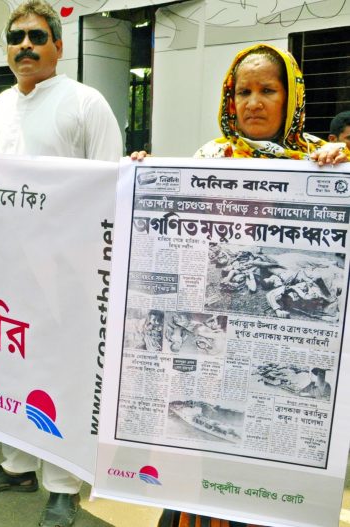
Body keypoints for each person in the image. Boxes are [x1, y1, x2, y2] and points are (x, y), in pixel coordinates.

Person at [134, 43, 348, 527]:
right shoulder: (211, 157)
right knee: (207, 465)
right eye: (243, 91)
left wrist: (345, 160)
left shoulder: (324, 160)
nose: (253, 102)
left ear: (291, 96)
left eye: (268, 90)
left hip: (285, 347)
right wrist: (142, 176)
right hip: (219, 342)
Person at [0, 2, 122, 526]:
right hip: (6, 266)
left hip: (68, 270)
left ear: (59, 46)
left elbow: (111, 184)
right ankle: (17, 464)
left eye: (36, 36)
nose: (24, 45)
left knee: (62, 374)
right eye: (15, 37)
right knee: (12, 366)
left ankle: (63, 485)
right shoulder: (1, 104)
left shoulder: (85, 102)